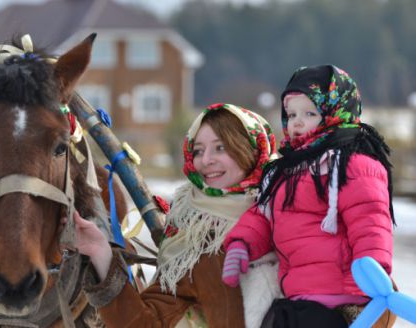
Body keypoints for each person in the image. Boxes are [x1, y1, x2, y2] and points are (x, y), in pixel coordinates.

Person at [222, 65, 396, 327]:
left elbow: (370, 222)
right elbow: (262, 215)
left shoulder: (350, 164)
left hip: (341, 297)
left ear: (336, 113)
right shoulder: (285, 172)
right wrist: (241, 244)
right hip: (299, 297)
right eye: (291, 114)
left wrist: (372, 272)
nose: (297, 122)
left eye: (309, 113)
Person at [74, 103, 278, 327]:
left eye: (220, 148)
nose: (206, 160)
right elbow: (145, 323)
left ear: (251, 148)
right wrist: (101, 254)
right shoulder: (192, 238)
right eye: (198, 150)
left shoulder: (291, 210)